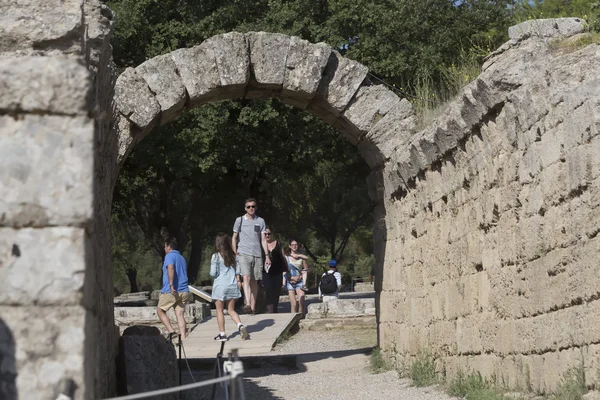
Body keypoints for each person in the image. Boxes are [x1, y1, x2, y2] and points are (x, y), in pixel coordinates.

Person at [232, 198, 269, 315]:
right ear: (245, 208)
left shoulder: (261, 221)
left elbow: (263, 239)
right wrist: (235, 252)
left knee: (254, 281)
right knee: (246, 278)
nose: (251, 208)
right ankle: (247, 303)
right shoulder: (239, 220)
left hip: (257, 254)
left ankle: (252, 308)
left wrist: (267, 255)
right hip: (243, 253)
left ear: (256, 207)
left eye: (253, 206)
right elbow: (234, 237)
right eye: (248, 207)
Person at [210, 233, 248, 342]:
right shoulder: (234, 256)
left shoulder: (216, 256)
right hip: (232, 285)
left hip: (220, 286)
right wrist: (238, 280)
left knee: (219, 311)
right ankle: (240, 325)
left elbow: (213, 273)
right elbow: (238, 271)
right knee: (231, 310)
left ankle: (222, 335)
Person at [157, 237, 190, 341]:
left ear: (169, 247)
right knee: (180, 314)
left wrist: (171, 286)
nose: (164, 248)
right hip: (184, 290)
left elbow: (170, 268)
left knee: (160, 311)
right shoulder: (182, 258)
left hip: (171, 290)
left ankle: (171, 331)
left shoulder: (169, 256)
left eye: (165, 246)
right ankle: (184, 338)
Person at [263, 227, 287, 313]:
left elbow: (283, 257)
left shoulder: (278, 244)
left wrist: (286, 270)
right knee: (268, 289)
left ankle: (274, 310)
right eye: (265, 234)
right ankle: (269, 310)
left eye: (269, 234)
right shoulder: (261, 244)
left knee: (276, 291)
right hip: (266, 272)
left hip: (278, 271)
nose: (267, 235)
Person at [285, 239, 309, 315]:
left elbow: (305, 269)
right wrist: (290, 278)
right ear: (289, 246)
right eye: (292, 245)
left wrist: (301, 276)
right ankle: (293, 320)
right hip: (290, 282)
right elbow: (284, 270)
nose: (294, 246)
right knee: (294, 304)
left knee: (301, 302)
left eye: (296, 244)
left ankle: (301, 319)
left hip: (299, 282)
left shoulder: (302, 257)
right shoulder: (286, 257)